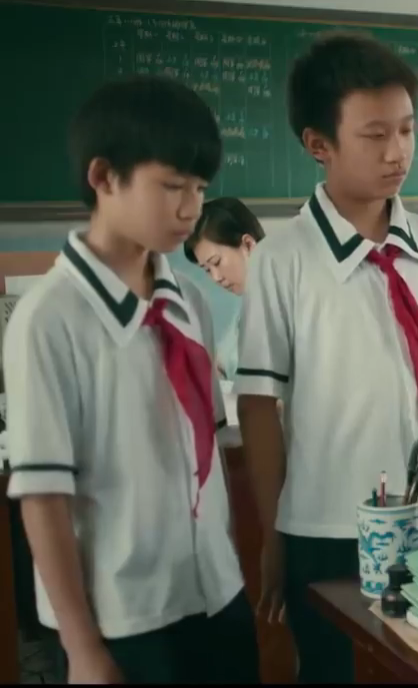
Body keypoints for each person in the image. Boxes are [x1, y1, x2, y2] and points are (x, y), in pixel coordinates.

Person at [4, 76, 258, 683]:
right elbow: (43, 498)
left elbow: (208, 456)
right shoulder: (50, 319)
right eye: (171, 186)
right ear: (104, 177)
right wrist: (83, 649)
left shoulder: (188, 303)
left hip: (217, 596)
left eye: (199, 188)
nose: (190, 208)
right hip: (124, 622)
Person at [234, 33, 418, 683]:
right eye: (374, 135)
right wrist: (274, 530)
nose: (398, 152)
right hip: (329, 525)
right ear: (319, 144)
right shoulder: (283, 258)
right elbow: (258, 404)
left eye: (407, 130)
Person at [183, 196, 265, 378]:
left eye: (216, 262)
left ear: (248, 245)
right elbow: (225, 366)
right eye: (207, 270)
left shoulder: (289, 302)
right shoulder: (244, 310)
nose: (216, 277)